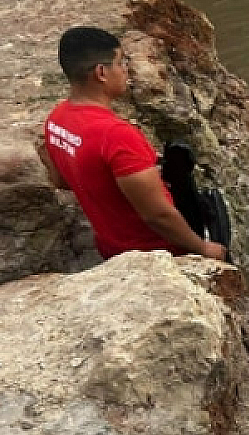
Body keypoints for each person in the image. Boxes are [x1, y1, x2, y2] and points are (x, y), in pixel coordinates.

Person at [37, 26, 226, 261]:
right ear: (101, 73)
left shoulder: (56, 120)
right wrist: (203, 248)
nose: (126, 70)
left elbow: (64, 180)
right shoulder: (117, 136)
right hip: (158, 252)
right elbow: (157, 216)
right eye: (121, 62)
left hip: (110, 247)